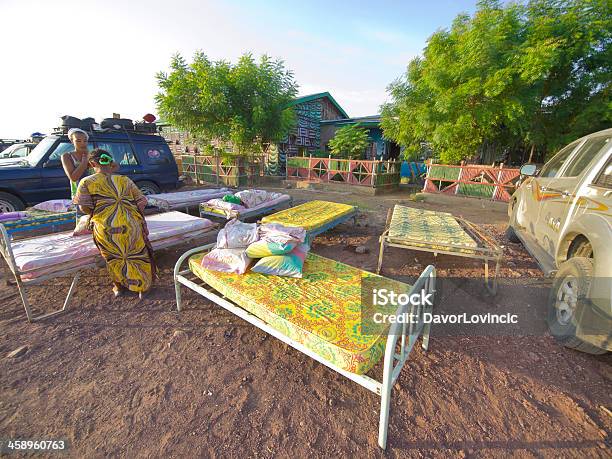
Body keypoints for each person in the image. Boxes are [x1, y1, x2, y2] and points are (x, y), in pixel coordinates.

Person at [73, 149, 155, 299]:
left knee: (113, 258)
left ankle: (119, 287)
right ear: (110, 162)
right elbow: (142, 201)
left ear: (92, 164)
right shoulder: (124, 180)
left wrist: (104, 208)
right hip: (131, 226)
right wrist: (131, 213)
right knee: (138, 255)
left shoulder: (86, 182)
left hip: (106, 228)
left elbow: (83, 207)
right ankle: (143, 288)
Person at [61, 128, 92, 199]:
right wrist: (84, 162)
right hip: (79, 195)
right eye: (78, 141)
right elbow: (73, 178)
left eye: (85, 141)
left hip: (94, 193)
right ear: (72, 141)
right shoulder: (67, 156)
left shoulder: (92, 155)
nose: (82, 143)